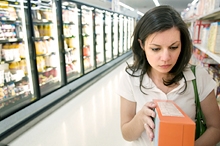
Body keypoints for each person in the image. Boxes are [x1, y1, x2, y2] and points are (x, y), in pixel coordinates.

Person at [117, 5, 220, 146]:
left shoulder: (198, 76)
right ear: (142, 45)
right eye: (155, 49)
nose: (165, 57)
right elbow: (126, 134)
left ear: (182, 44)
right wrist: (140, 118)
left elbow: (216, 128)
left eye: (173, 47)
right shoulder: (130, 78)